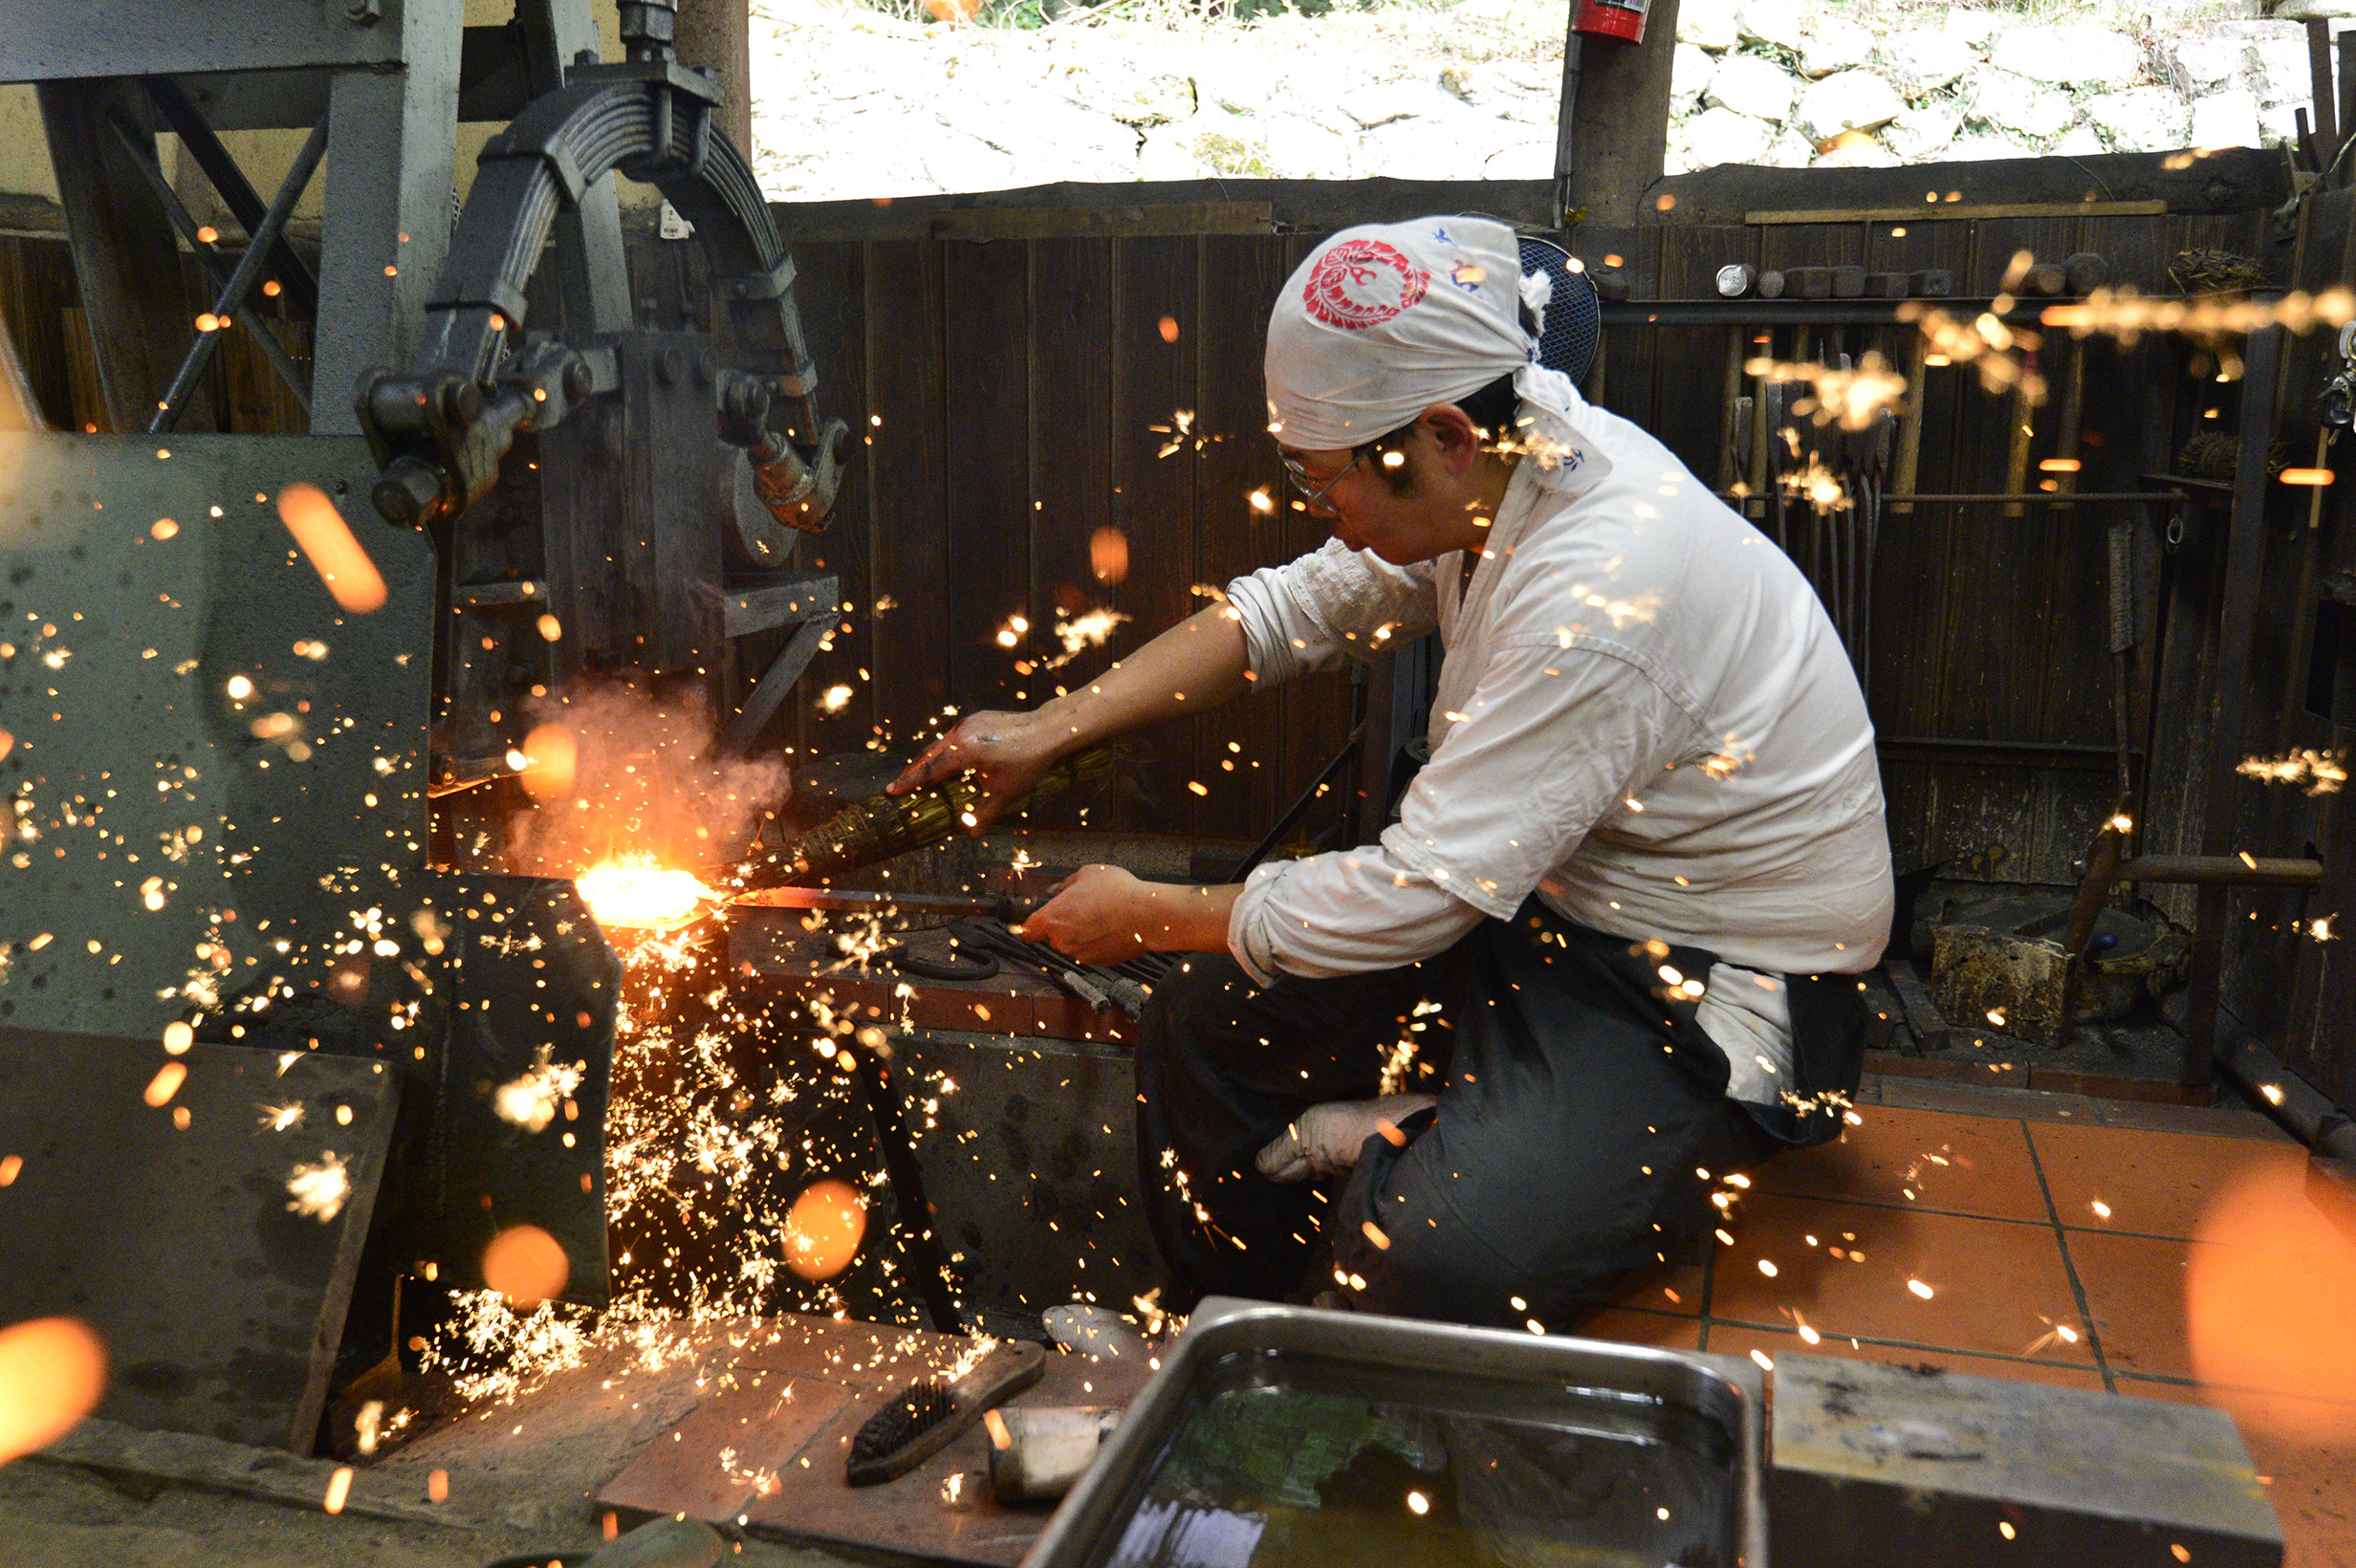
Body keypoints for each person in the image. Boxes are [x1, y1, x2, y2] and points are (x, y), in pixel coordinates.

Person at [886, 216, 1892, 1329]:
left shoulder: (1603, 589)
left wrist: (1152, 911)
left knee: (1437, 1257)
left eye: (1327, 484)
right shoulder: (1503, 466)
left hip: (1705, 980)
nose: (1323, 513)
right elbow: (1290, 610)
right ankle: (1220, 1328)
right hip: (1543, 902)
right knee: (1203, 1029)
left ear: (1446, 435)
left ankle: (1397, 1141)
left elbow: (1420, 891)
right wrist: (1044, 729)